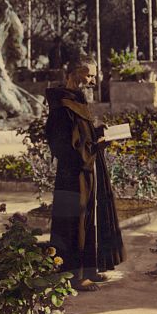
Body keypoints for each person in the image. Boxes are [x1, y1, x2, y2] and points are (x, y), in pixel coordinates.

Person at [45, 55, 125, 292]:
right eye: (88, 74)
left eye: (93, 75)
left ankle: (89, 270)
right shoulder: (62, 105)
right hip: (73, 175)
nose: (92, 80)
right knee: (75, 223)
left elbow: (81, 135)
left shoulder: (76, 101)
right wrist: (94, 146)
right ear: (72, 74)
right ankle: (75, 277)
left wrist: (98, 133)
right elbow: (62, 145)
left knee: (89, 220)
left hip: (86, 170)